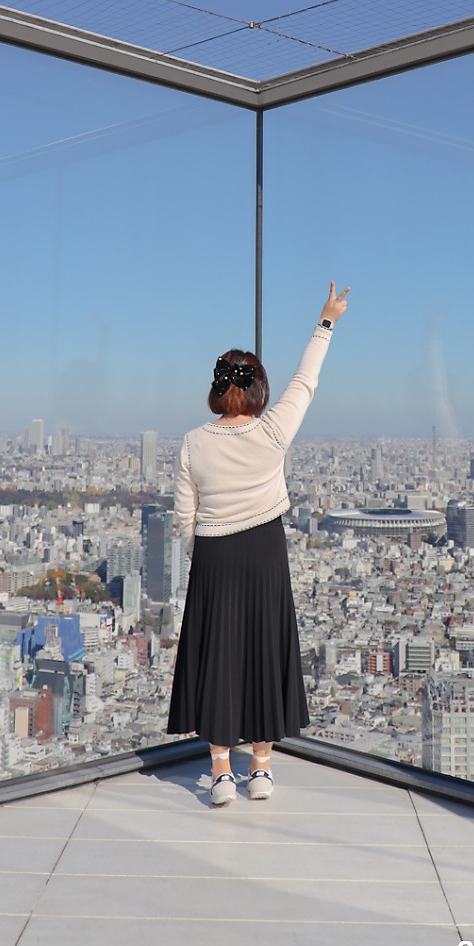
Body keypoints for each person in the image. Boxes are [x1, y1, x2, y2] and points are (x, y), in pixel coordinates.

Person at [167, 281, 350, 805]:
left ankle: (221, 771)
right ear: (256, 390)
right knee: (263, 649)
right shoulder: (272, 432)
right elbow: (306, 380)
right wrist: (326, 319)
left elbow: (185, 517)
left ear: (216, 389)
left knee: (220, 653)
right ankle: (262, 767)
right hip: (265, 549)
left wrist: (202, 557)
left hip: (216, 555)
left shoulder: (193, 442)